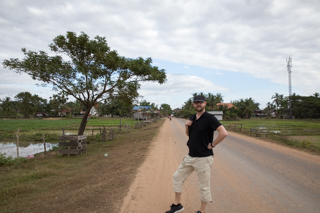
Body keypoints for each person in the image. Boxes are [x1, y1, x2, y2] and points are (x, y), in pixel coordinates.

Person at [165, 95, 228, 213]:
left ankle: (201, 211)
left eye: (200, 102)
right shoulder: (193, 117)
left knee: (204, 186)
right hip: (190, 156)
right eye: (196, 102)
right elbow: (190, 135)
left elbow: (224, 133)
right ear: (193, 104)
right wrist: (187, 126)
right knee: (177, 177)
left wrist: (213, 145)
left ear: (205, 104)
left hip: (204, 158)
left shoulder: (210, 118)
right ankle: (177, 205)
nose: (198, 104)